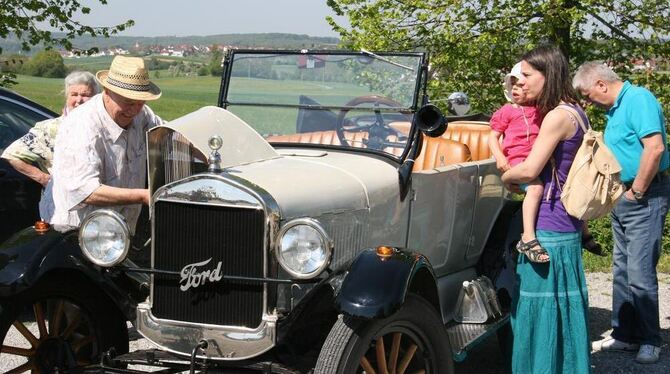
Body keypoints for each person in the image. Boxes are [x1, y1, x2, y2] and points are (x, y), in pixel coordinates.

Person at [501, 45, 591, 373]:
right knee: (565, 311)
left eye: (527, 75)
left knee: (537, 313)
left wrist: (505, 176)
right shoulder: (577, 110)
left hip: (547, 227)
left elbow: (528, 171)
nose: (520, 81)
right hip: (567, 224)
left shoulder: (556, 117)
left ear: (547, 75)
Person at [573, 62, 669, 364]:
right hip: (623, 195)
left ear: (601, 84)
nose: (589, 102)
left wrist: (637, 190)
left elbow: (654, 148)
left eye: (588, 95)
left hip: (644, 195)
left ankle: (651, 340)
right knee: (622, 269)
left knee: (640, 272)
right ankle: (625, 335)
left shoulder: (638, 99)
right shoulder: (615, 109)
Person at [41, 55, 164, 234]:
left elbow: (166, 133)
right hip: (78, 233)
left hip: (118, 233)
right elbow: (85, 190)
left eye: (141, 102)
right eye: (129, 102)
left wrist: (206, 150)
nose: (135, 110)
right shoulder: (82, 125)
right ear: (107, 92)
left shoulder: (141, 114)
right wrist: (143, 195)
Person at [488, 62, 548, 262]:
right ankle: (528, 237)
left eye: (520, 85)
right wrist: (500, 158)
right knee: (536, 188)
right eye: (512, 85)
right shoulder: (507, 111)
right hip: (517, 160)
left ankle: (583, 232)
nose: (515, 89)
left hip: (537, 158)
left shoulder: (539, 109)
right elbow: (493, 137)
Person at [1, 71, 99, 187]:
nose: (79, 100)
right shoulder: (49, 129)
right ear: (67, 97)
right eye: (74, 94)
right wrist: (45, 179)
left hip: (101, 199)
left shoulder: (104, 127)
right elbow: (11, 155)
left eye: (85, 95)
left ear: (96, 99)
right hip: (61, 202)